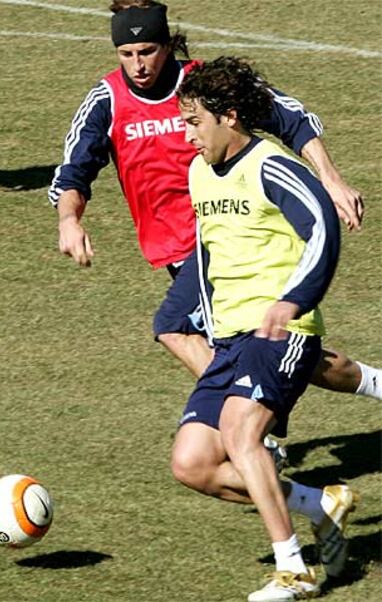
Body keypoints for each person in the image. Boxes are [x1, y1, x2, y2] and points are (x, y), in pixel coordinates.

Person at [48, 0, 380, 402]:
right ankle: (372, 383)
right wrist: (69, 219)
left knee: (177, 327)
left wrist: (331, 179)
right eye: (126, 54)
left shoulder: (205, 86)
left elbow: (289, 117)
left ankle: (243, 430)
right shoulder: (107, 100)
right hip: (173, 246)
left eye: (147, 51)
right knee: (279, 347)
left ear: (168, 45)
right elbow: (73, 172)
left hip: (229, 234)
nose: (138, 65)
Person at [173, 56, 359, 601]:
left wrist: (292, 300)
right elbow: (210, 253)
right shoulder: (199, 171)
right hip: (230, 337)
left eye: (194, 122)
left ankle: (294, 570)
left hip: (283, 331)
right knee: (193, 464)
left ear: (229, 117)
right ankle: (317, 504)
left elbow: (323, 227)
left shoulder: (273, 166)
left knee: (240, 433)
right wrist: (195, 319)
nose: (187, 137)